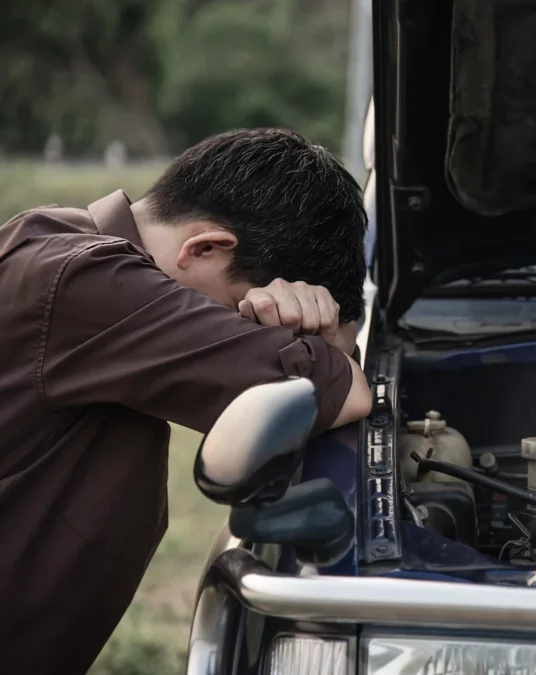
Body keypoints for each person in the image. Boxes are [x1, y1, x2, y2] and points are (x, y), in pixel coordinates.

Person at [0, 128, 373, 673]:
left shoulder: (59, 246)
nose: (241, 340)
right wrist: (330, 345)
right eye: (245, 316)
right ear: (203, 248)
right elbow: (345, 393)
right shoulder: (88, 282)